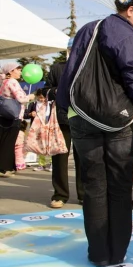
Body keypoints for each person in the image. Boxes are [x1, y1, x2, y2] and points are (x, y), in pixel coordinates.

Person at [56, 0, 133, 267]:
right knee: (119, 188)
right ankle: (117, 252)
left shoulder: (90, 29)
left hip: (82, 118)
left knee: (93, 187)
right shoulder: (129, 38)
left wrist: (63, 109)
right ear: (132, 11)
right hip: (119, 123)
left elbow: (71, 71)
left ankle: (99, 253)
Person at [45, 37, 85, 207]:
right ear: (68, 50)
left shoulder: (88, 67)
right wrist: (55, 91)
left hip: (85, 119)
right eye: (72, 48)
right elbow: (45, 90)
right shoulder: (57, 68)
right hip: (61, 119)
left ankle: (84, 194)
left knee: (84, 158)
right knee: (60, 158)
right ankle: (60, 194)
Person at [0, 63, 34, 178]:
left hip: (4, 115)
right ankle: (5, 168)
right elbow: (21, 99)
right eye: (18, 70)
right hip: (14, 116)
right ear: (10, 71)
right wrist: (30, 97)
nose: (20, 72)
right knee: (9, 143)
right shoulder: (13, 82)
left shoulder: (2, 81)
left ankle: (9, 166)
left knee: (4, 142)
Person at [26, 90, 53, 172]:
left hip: (48, 127)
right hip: (37, 128)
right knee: (39, 146)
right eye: (40, 97)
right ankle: (41, 164)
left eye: (44, 97)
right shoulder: (33, 104)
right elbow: (25, 114)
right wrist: (30, 114)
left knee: (50, 146)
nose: (42, 99)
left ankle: (52, 163)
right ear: (37, 96)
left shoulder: (50, 104)